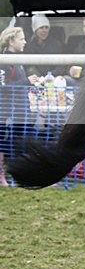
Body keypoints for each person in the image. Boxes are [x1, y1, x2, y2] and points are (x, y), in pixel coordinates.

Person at [0, 26, 37, 186]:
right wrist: (27, 81)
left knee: (24, 141)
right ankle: (2, 176)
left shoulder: (20, 60)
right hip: (8, 112)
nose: (25, 42)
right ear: (11, 41)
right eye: (21, 39)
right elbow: (4, 87)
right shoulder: (4, 62)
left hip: (22, 111)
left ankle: (22, 176)